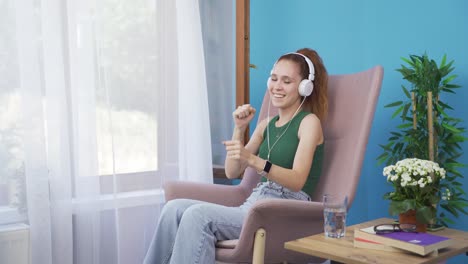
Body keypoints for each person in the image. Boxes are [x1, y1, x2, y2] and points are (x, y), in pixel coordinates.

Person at [143, 48, 328, 264]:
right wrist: (239, 129)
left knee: (197, 216)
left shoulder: (309, 122)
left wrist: (254, 160)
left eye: (286, 81)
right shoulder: (265, 126)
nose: (277, 86)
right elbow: (233, 171)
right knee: (173, 209)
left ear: (305, 87)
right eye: (274, 78)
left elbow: (297, 181)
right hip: (254, 205)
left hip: (282, 210)